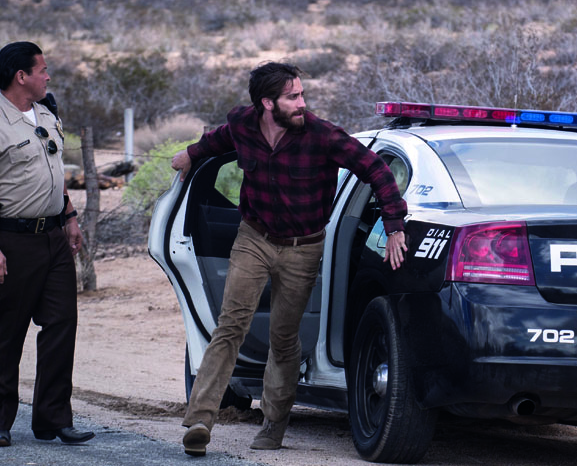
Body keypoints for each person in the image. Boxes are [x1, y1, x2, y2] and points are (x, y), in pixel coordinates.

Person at [173, 62, 408, 456]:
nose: (302, 103)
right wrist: (190, 154)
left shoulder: (322, 135)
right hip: (254, 238)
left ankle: (273, 424)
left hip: (304, 247)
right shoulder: (243, 124)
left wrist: (395, 224)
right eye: (293, 97)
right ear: (267, 103)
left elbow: (377, 170)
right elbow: (219, 140)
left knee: (284, 338)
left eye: (301, 94)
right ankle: (200, 419)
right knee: (230, 326)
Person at [0, 42, 94, 448]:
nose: (48, 76)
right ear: (21, 76)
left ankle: (53, 420)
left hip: (53, 238)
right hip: (11, 244)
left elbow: (54, 170)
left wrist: (68, 217)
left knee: (61, 325)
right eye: (43, 70)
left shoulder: (47, 114)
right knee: (6, 331)